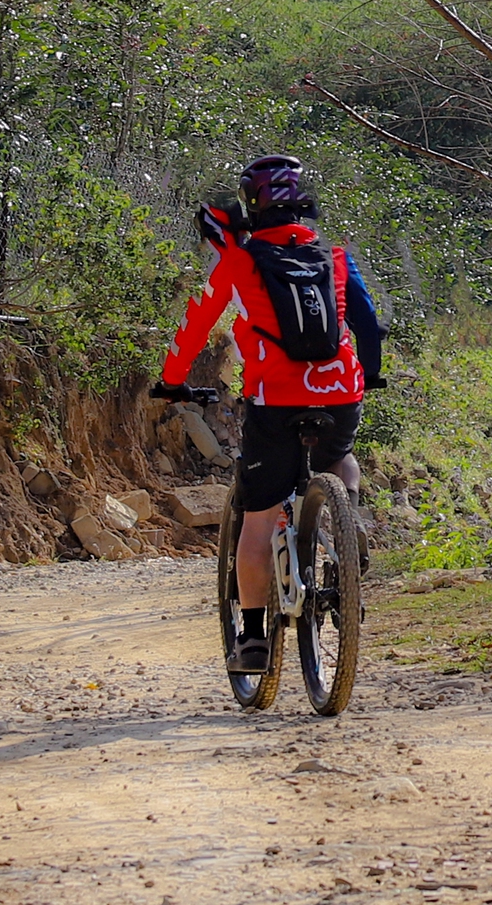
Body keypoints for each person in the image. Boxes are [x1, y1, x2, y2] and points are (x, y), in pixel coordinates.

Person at [151, 154, 384, 674]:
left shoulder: (241, 260)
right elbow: (367, 323)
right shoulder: (335, 257)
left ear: (252, 204)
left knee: (258, 519)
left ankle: (253, 638)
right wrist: (367, 375)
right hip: (339, 391)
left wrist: (172, 381)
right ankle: (349, 521)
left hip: (276, 399)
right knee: (341, 455)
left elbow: (196, 323)